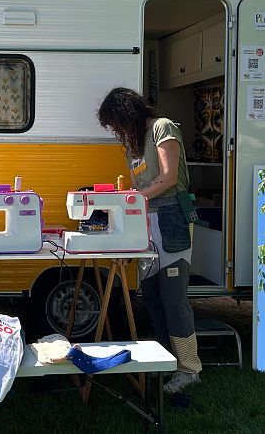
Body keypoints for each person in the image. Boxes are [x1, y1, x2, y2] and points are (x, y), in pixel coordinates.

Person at [97, 87, 203, 394]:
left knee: (173, 299)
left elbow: (168, 178)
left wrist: (130, 199)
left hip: (171, 218)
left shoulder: (162, 127)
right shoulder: (134, 144)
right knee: (153, 298)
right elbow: (138, 187)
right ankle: (164, 361)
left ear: (127, 113)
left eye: (116, 123)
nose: (116, 130)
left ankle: (189, 369)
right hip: (147, 220)